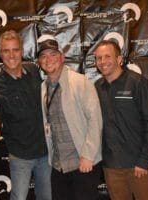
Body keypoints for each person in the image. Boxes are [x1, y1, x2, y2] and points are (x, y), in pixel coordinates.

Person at [94, 40, 148, 200]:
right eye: (98, 58)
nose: (102, 62)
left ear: (119, 59)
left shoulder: (137, 83)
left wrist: (144, 160)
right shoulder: (97, 87)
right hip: (112, 167)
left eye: (107, 56)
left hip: (138, 165)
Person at [37, 39, 103, 200]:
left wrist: (88, 156)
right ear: (39, 62)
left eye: (53, 54)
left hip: (82, 164)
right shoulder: (43, 87)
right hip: (59, 166)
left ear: (62, 57)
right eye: (43, 56)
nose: (48, 59)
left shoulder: (80, 82)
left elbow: (95, 120)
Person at [0, 30, 51, 200]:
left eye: (15, 50)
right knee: (18, 197)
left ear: (22, 50)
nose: (11, 55)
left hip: (44, 153)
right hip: (20, 156)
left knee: (47, 197)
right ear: (0, 53)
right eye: (6, 50)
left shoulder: (34, 71)